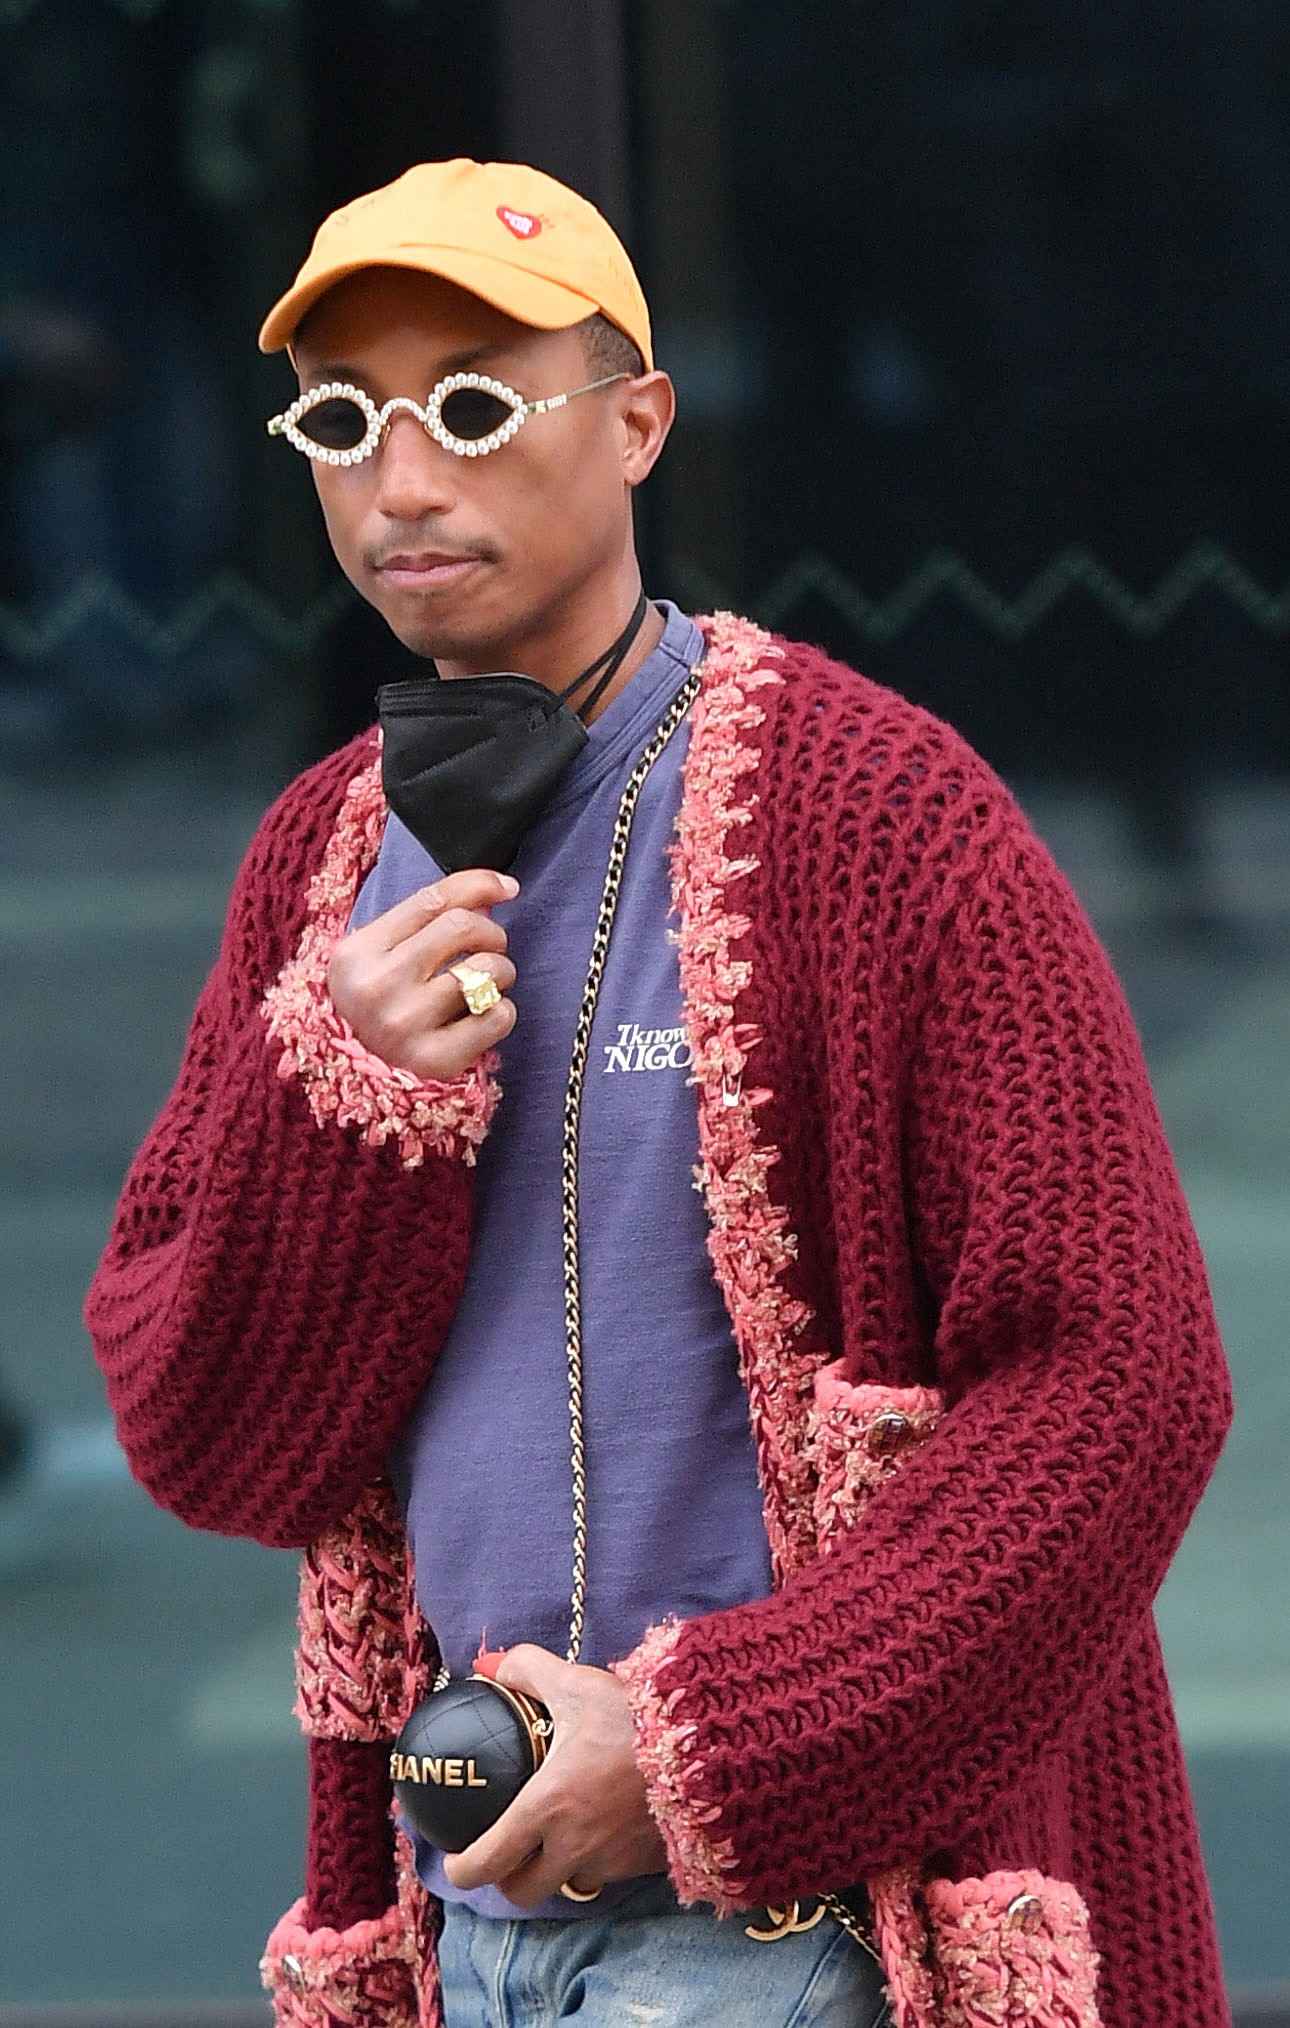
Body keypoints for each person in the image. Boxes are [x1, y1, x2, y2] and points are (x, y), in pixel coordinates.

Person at [86, 159, 1232, 2028]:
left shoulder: (875, 814)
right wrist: (339, 1108)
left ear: (637, 424)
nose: (401, 479)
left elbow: (1122, 1377)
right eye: (342, 421)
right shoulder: (315, 859)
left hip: (811, 1932)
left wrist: (715, 1749)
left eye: (472, 405)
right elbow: (207, 1438)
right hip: (456, 1929)